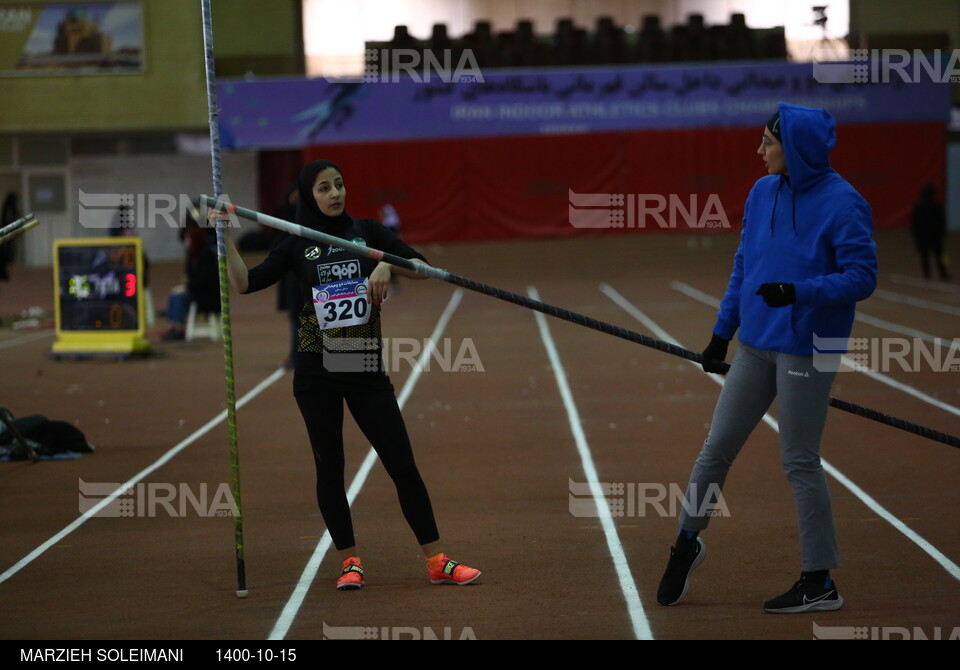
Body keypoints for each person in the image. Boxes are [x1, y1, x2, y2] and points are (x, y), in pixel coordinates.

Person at [656, 103, 877, 614]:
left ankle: (819, 581)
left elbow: (862, 277)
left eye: (767, 142)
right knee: (715, 449)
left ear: (794, 148)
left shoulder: (844, 203)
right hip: (756, 344)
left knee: (799, 459)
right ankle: (687, 543)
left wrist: (800, 292)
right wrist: (720, 334)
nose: (759, 151)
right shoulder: (761, 193)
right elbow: (744, 267)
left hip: (809, 348)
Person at [220, 159, 480, 590]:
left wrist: (385, 264)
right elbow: (246, 283)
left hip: (361, 364)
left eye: (339, 185)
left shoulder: (368, 231)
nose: (335, 194)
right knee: (330, 468)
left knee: (402, 464)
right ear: (310, 195)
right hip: (316, 371)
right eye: (324, 188)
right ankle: (350, 562)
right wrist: (224, 236)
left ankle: (437, 561)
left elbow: (420, 266)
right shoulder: (297, 242)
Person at [162, 209, 219, 340]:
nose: (185, 242)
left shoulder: (207, 255)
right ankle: (173, 326)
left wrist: (190, 287)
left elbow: (206, 280)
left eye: (188, 239)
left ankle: (179, 328)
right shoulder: (192, 255)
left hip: (207, 296)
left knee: (179, 298)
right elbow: (191, 275)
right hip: (197, 291)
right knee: (174, 295)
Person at [909, 184, 950, 281]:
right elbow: (942, 221)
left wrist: (915, 235)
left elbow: (914, 223)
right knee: (940, 255)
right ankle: (943, 272)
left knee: (925, 256)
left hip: (923, 237)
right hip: (936, 236)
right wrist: (942, 233)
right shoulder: (937, 206)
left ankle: (927, 273)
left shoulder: (918, 207)